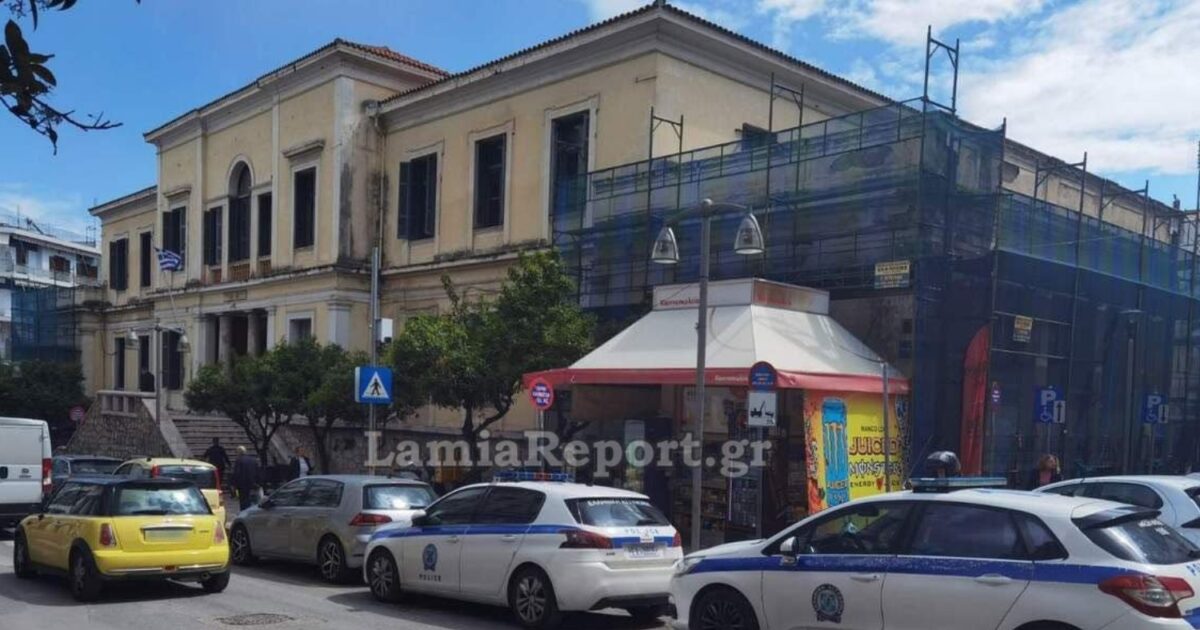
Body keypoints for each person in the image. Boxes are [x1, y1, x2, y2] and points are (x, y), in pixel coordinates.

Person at [232, 446, 260, 511]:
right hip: (253, 484)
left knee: (243, 502)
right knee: (254, 501)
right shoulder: (253, 460)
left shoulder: (239, 460)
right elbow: (258, 472)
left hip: (242, 485)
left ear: (239, 452)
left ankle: (244, 513)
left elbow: (237, 473)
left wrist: (234, 484)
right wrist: (258, 483)